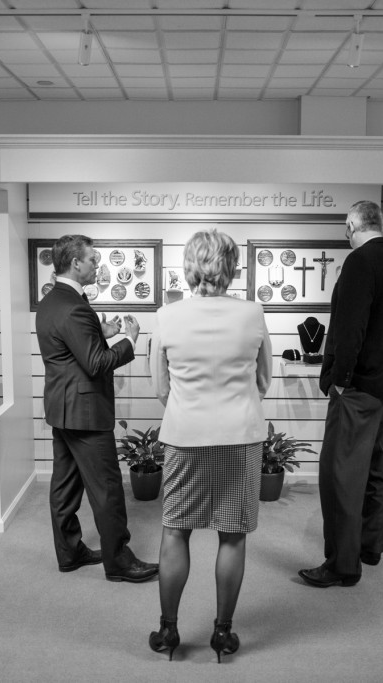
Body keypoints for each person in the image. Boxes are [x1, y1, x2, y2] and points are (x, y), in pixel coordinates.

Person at [147, 229, 273, 662]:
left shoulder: (167, 316)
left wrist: (189, 402)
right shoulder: (253, 313)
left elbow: (160, 388)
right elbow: (264, 380)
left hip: (185, 437)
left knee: (175, 531)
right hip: (240, 437)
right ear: (232, 266)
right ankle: (222, 634)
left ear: (188, 267)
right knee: (233, 537)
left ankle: (167, 632)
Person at [36, 234, 158, 584]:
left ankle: (70, 552)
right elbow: (96, 363)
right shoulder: (74, 305)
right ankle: (118, 561)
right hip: (86, 413)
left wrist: (100, 331)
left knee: (65, 486)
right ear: (75, 263)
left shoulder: (53, 300)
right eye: (92, 260)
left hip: (63, 409)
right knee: (107, 489)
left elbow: (71, 349)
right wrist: (128, 340)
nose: (97, 266)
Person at [299, 200, 383, 588]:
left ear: (353, 225)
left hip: (357, 387)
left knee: (340, 475)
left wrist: (339, 379)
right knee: (379, 471)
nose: (345, 236)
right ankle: (369, 547)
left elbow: (350, 329)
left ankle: (343, 565)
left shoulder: (360, 263)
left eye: (346, 229)